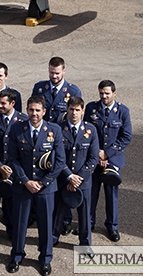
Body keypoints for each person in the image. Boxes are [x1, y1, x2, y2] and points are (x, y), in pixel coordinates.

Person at [6, 96, 65, 276]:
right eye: (31, 110)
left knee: (45, 225)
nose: (34, 113)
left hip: (45, 188)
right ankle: (17, 255)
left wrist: (43, 182)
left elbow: (60, 161)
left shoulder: (54, 130)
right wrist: (25, 181)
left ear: (44, 112)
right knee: (20, 223)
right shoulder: (17, 129)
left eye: (38, 110)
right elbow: (12, 158)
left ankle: (45, 258)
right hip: (23, 186)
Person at [84, 80, 132, 243]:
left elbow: (126, 137)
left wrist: (108, 155)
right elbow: (87, 131)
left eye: (107, 93)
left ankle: (112, 226)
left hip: (113, 160)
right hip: (94, 159)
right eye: (101, 93)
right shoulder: (91, 108)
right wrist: (98, 153)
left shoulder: (122, 111)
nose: (104, 96)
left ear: (114, 93)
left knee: (112, 195)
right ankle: (88, 223)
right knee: (91, 193)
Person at [52, 96, 98, 252]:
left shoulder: (91, 130)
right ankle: (53, 238)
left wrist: (79, 178)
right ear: (67, 109)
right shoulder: (58, 129)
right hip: (63, 179)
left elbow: (93, 158)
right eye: (71, 109)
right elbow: (56, 156)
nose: (74, 113)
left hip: (83, 182)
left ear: (83, 111)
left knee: (84, 215)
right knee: (58, 211)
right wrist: (69, 177)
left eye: (77, 110)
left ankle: (85, 245)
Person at [0, 88, 28, 243]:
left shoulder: (22, 120)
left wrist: (10, 168)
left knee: (11, 202)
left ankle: (11, 230)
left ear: (12, 103)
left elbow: (23, 148)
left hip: (13, 170)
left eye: (3, 103)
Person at [32, 56, 82, 124]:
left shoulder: (73, 92)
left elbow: (77, 117)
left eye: (57, 73)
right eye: (51, 73)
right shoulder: (39, 88)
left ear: (64, 71)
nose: (54, 76)